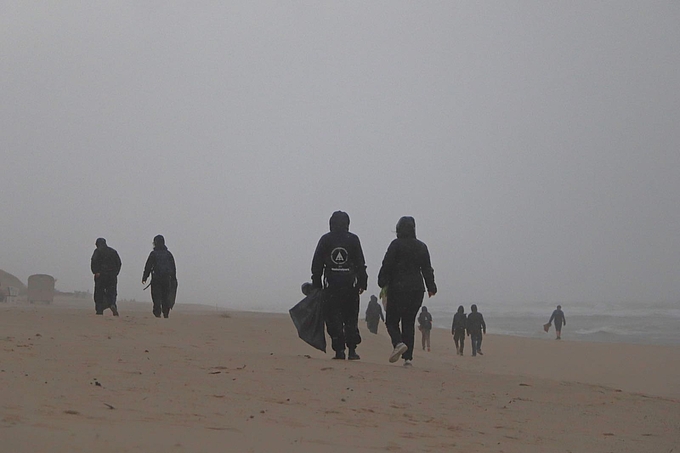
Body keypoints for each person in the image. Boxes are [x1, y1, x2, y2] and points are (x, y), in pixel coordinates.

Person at [378, 216, 437, 367]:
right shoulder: (421, 246)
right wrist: (431, 287)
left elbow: (387, 265)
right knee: (408, 322)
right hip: (417, 289)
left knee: (391, 320)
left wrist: (382, 281)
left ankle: (398, 343)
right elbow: (427, 268)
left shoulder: (396, 245)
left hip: (398, 288)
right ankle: (408, 358)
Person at [311, 211, 368, 360]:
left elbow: (317, 264)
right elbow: (360, 264)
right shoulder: (353, 239)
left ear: (331, 223)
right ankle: (352, 350)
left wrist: (316, 284)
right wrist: (363, 282)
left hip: (332, 287)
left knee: (333, 318)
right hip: (350, 286)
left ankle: (339, 350)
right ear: (347, 224)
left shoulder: (326, 239)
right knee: (351, 318)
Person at [142, 235, 177, 319]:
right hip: (167, 279)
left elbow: (148, 266)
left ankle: (157, 313)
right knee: (166, 296)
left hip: (156, 279)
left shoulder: (153, 254)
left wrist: (145, 277)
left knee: (156, 296)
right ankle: (166, 313)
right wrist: (173, 278)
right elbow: (173, 267)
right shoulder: (169, 254)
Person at [90, 238, 122, 316]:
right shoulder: (113, 251)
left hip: (101, 275)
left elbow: (94, 261)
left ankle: (99, 310)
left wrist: (96, 271)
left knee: (99, 292)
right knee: (112, 292)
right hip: (112, 276)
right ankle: (112, 304)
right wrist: (115, 273)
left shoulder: (97, 251)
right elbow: (119, 263)